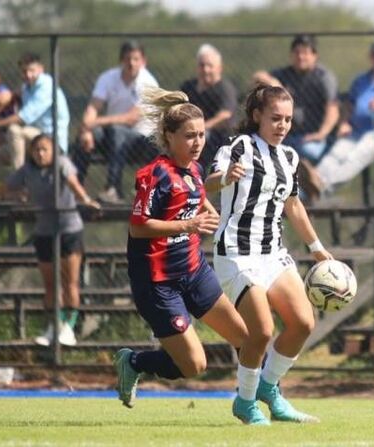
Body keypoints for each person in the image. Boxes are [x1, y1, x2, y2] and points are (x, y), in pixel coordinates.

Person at [113, 87, 252, 412]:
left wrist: (220, 187)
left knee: (246, 338)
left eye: (202, 135)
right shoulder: (154, 175)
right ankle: (134, 362)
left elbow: (197, 190)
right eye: (190, 136)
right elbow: (138, 226)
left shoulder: (194, 168)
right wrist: (186, 225)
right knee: (194, 366)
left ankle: (254, 402)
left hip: (193, 271)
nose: (198, 142)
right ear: (168, 136)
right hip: (158, 282)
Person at [205, 84, 333, 425]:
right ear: (257, 115)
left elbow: (293, 205)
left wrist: (318, 249)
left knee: (304, 322)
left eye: (288, 120)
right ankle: (245, 402)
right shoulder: (238, 147)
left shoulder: (289, 157)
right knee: (260, 331)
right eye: (275, 118)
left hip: (272, 253)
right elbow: (205, 184)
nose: (282, 125)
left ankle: (268, 388)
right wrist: (223, 178)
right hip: (236, 252)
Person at [0, 134, 100, 346]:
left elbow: (73, 183)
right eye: (36, 149)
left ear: (53, 151)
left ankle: (68, 328)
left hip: (69, 230)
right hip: (44, 231)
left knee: (70, 282)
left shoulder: (62, 164)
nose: (40, 153)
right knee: (50, 285)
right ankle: (53, 327)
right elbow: (3, 188)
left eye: (44, 149)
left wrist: (86, 200)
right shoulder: (27, 171)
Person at [301, 38, 374, 203]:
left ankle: (321, 187)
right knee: (337, 154)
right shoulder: (361, 80)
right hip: (355, 131)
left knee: (355, 155)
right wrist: (343, 123)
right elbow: (349, 106)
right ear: (371, 57)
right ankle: (309, 185)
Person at [74, 40, 159, 204]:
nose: (132, 63)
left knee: (117, 130)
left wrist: (96, 121)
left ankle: (113, 188)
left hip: (141, 141)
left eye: (136, 59)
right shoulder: (108, 78)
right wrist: (86, 130)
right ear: (121, 60)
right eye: (128, 59)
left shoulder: (149, 83)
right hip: (111, 138)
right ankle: (75, 190)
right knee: (85, 137)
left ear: (143, 61)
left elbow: (131, 118)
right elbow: (93, 107)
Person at [0, 52, 70, 181]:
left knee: (14, 130)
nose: (28, 75)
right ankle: (12, 185)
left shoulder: (46, 85)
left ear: (41, 69)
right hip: (31, 139)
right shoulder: (27, 87)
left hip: (52, 141)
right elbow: (15, 94)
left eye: (32, 71)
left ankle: (21, 184)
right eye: (24, 71)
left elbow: (24, 117)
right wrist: (8, 95)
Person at [253, 34, 339, 165]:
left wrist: (321, 133)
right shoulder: (284, 74)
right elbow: (258, 76)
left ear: (314, 55)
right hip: (287, 134)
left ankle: (307, 180)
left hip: (313, 138)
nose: (300, 57)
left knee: (306, 151)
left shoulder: (323, 77)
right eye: (297, 52)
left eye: (305, 53)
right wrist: (273, 83)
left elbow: (333, 108)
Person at [180, 44, 238, 172]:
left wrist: (203, 127)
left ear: (219, 68)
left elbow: (225, 114)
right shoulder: (188, 87)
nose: (205, 69)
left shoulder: (225, 88)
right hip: (194, 135)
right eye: (202, 65)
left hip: (221, 137)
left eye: (210, 66)